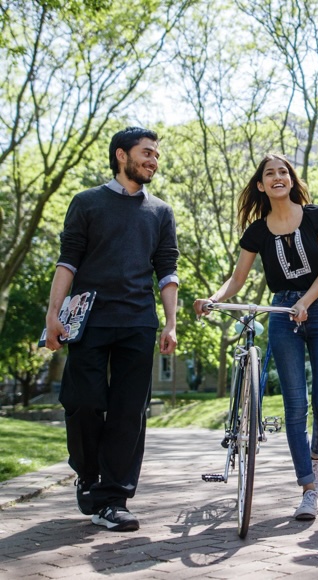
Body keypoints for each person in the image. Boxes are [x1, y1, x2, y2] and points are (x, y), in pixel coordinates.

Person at [194, 153, 318, 520]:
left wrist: (306, 301)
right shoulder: (257, 232)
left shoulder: (315, 216)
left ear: (291, 180)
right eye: (269, 174)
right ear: (261, 185)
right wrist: (213, 298)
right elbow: (238, 278)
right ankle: (308, 488)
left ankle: (315, 458)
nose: (278, 177)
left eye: (283, 172)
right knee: (295, 407)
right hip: (281, 314)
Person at [45, 127, 179, 532]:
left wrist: (171, 323)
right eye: (146, 153)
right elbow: (68, 261)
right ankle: (87, 473)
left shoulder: (160, 211)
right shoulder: (86, 203)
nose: (153, 160)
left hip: (139, 320)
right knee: (83, 401)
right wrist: (52, 314)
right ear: (122, 155)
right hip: (87, 321)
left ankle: (114, 498)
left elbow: (167, 269)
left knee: (128, 412)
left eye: (156, 155)